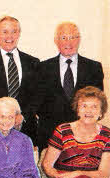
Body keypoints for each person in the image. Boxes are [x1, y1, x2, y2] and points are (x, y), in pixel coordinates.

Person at [31, 22, 104, 150]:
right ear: (56, 40)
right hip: (50, 136)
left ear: (79, 39)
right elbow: (36, 104)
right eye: (63, 38)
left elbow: (98, 103)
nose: (68, 42)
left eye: (72, 37)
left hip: (85, 138)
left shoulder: (94, 68)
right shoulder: (42, 68)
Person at [0, 16, 40, 142]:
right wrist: (2, 118)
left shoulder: (33, 62)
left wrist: (22, 117)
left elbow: (37, 96)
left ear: (19, 34)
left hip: (25, 129)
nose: (9, 36)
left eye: (14, 31)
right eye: (4, 32)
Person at [42, 86, 110, 178]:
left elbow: (102, 175)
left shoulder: (107, 135)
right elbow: (47, 165)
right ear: (77, 110)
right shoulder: (62, 130)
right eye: (84, 106)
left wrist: (76, 175)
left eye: (94, 107)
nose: (88, 111)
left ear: (101, 112)